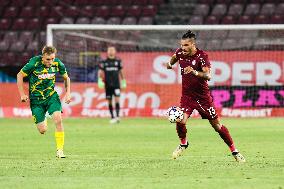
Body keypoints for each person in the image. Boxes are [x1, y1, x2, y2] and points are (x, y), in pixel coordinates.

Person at [167, 30, 245, 162]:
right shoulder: (180, 53)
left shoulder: (202, 56)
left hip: (203, 99)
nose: (183, 48)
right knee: (180, 120)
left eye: (186, 45)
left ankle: (234, 151)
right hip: (187, 97)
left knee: (217, 126)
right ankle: (183, 143)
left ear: (193, 44)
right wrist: (169, 64)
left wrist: (194, 72)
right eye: (181, 45)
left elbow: (208, 76)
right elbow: (175, 56)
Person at [17, 46, 71, 158]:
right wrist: (22, 94)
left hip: (51, 96)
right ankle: (44, 116)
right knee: (42, 130)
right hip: (36, 100)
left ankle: (60, 151)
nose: (50, 62)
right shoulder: (34, 63)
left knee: (58, 120)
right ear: (43, 57)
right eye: (48, 59)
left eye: (52, 59)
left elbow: (67, 78)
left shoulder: (57, 63)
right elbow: (19, 75)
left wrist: (68, 93)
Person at [98, 46, 126, 124]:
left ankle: (117, 117)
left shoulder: (118, 61)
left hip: (116, 84)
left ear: (115, 51)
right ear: (107, 52)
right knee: (109, 101)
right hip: (107, 84)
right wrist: (99, 80)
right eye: (109, 50)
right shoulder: (104, 62)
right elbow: (100, 72)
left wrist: (123, 81)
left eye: (112, 50)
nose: (111, 51)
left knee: (117, 99)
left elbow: (121, 71)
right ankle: (112, 117)